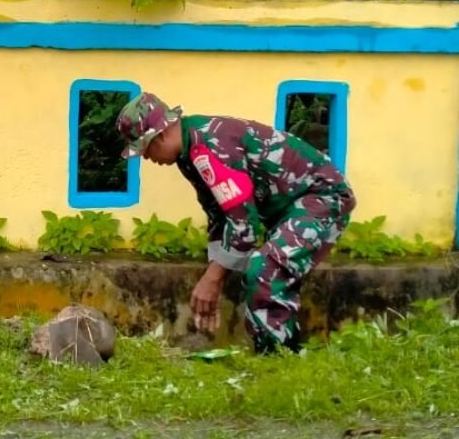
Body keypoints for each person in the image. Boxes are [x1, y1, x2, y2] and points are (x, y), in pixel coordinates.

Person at [116, 92, 356, 353]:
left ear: (158, 136)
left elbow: (244, 223)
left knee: (265, 267)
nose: (147, 158)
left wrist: (213, 279)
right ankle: (282, 352)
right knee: (266, 267)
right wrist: (215, 271)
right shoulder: (188, 152)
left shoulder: (210, 147)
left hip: (322, 197)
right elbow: (219, 214)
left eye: (145, 149)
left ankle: (277, 360)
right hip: (287, 208)